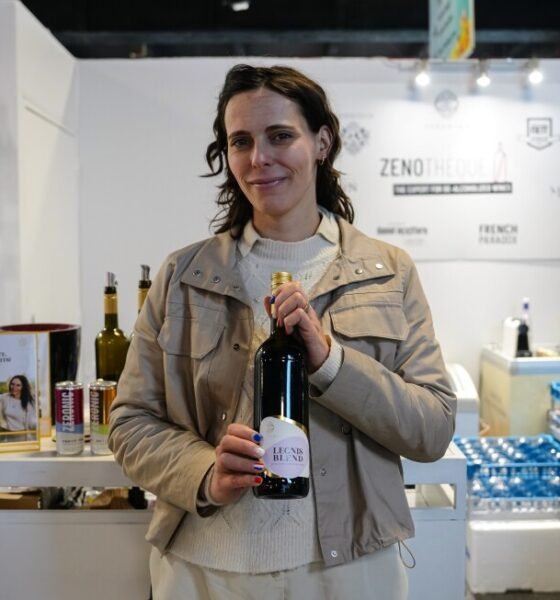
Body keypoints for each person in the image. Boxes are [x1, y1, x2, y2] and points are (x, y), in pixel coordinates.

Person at [108, 63, 456, 600]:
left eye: (280, 136)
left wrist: (332, 364)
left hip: (347, 572)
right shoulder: (183, 276)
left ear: (322, 142)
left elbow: (432, 427)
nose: (259, 158)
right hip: (203, 571)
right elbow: (131, 421)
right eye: (241, 141)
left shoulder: (388, 272)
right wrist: (205, 472)